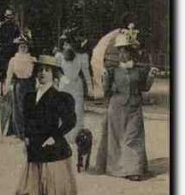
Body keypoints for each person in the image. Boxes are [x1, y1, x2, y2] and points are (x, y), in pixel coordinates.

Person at [8, 55, 77, 195]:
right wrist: (27, 138)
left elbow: (71, 121)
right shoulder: (29, 97)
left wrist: (54, 137)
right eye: (39, 70)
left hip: (54, 152)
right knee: (33, 191)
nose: (42, 74)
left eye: (47, 70)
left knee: (56, 193)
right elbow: (26, 122)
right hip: (35, 151)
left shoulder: (61, 97)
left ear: (54, 74)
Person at [94, 33, 159, 181]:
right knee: (117, 140)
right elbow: (106, 91)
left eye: (126, 51)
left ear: (132, 53)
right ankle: (118, 168)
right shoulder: (112, 71)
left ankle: (134, 169)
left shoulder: (139, 70)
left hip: (135, 107)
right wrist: (104, 78)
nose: (123, 54)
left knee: (133, 138)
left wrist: (151, 76)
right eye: (120, 51)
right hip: (116, 108)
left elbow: (144, 88)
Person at [55, 36, 92, 144]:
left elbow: (86, 73)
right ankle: (63, 135)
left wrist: (90, 87)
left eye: (68, 44)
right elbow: (56, 70)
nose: (65, 46)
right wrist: (61, 77)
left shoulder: (81, 57)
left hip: (76, 86)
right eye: (64, 44)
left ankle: (77, 136)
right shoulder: (59, 56)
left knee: (78, 110)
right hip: (64, 86)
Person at [5, 35, 36, 139]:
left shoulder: (32, 59)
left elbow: (36, 74)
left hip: (30, 85)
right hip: (18, 86)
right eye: (21, 46)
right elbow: (9, 74)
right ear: (18, 47)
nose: (23, 48)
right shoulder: (13, 60)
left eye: (25, 46)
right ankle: (19, 132)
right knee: (18, 109)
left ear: (28, 47)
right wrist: (8, 86)